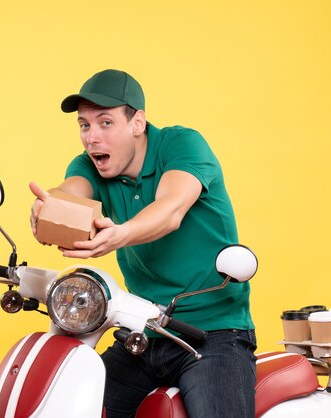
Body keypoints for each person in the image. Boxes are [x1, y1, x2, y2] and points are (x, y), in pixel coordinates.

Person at [29, 69, 256, 418]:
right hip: (144, 329)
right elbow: (70, 191)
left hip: (214, 334)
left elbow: (170, 209)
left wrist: (121, 233)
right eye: (84, 125)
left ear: (138, 123)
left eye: (105, 123)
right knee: (70, 400)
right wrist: (49, 206)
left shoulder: (181, 144)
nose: (92, 138)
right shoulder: (91, 166)